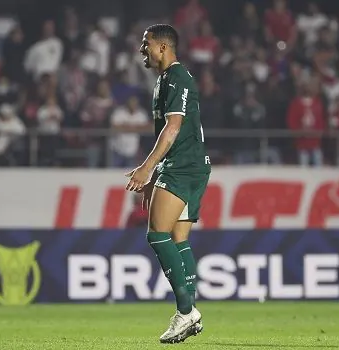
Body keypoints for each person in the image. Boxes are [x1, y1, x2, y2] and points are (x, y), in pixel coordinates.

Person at [125, 24, 211, 344]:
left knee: (157, 233)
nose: (141, 49)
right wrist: (156, 171)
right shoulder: (165, 80)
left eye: (145, 43)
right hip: (187, 166)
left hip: (182, 167)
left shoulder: (177, 77)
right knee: (179, 237)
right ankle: (191, 312)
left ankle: (186, 312)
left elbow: (172, 128)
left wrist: (147, 169)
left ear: (163, 47)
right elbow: (169, 130)